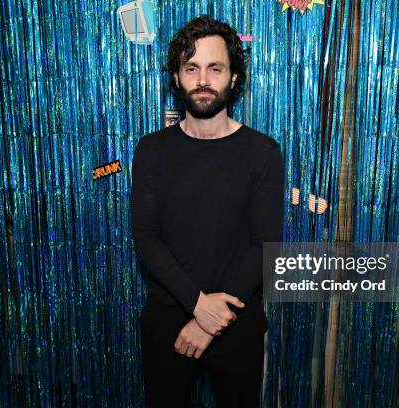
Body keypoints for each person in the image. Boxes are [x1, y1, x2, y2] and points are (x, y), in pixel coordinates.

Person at [131, 15, 284, 408]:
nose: (202, 79)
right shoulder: (151, 151)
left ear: (233, 78)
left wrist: (210, 322)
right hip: (168, 323)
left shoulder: (262, 151)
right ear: (178, 78)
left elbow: (266, 245)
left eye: (214, 68)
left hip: (238, 325)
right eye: (192, 68)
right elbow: (146, 240)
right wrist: (198, 306)